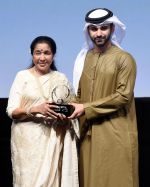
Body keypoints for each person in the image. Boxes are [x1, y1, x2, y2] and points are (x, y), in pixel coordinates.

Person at [68, 8, 139, 187]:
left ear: (112, 29)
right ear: (88, 31)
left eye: (103, 28)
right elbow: (80, 94)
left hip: (115, 134)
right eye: (93, 28)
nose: (98, 33)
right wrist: (69, 107)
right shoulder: (85, 59)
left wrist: (86, 108)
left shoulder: (124, 58)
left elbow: (123, 96)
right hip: (88, 134)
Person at [7, 36, 79, 187]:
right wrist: (35, 109)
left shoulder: (61, 78)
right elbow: (11, 111)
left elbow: (72, 108)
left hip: (52, 139)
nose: (42, 58)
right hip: (27, 143)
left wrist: (65, 117)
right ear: (32, 54)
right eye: (38, 53)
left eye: (46, 53)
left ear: (53, 55)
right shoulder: (22, 76)